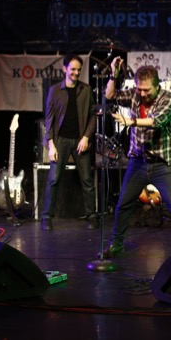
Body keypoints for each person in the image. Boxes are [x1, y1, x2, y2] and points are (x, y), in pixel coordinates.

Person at [102, 59, 171, 257]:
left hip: (162, 164)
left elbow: (156, 121)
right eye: (139, 89)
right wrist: (113, 74)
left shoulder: (168, 99)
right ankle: (116, 244)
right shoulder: (135, 95)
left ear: (157, 86)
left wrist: (131, 121)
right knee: (123, 204)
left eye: (146, 90)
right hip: (138, 161)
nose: (142, 94)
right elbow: (109, 95)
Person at [40, 54, 99, 231]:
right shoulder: (55, 90)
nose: (76, 73)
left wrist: (86, 137)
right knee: (53, 180)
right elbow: (49, 119)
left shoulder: (86, 90)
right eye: (73, 69)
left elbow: (93, 116)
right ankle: (46, 217)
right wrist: (51, 145)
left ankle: (92, 216)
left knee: (87, 180)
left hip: (80, 140)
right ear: (65, 69)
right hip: (61, 141)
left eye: (79, 70)